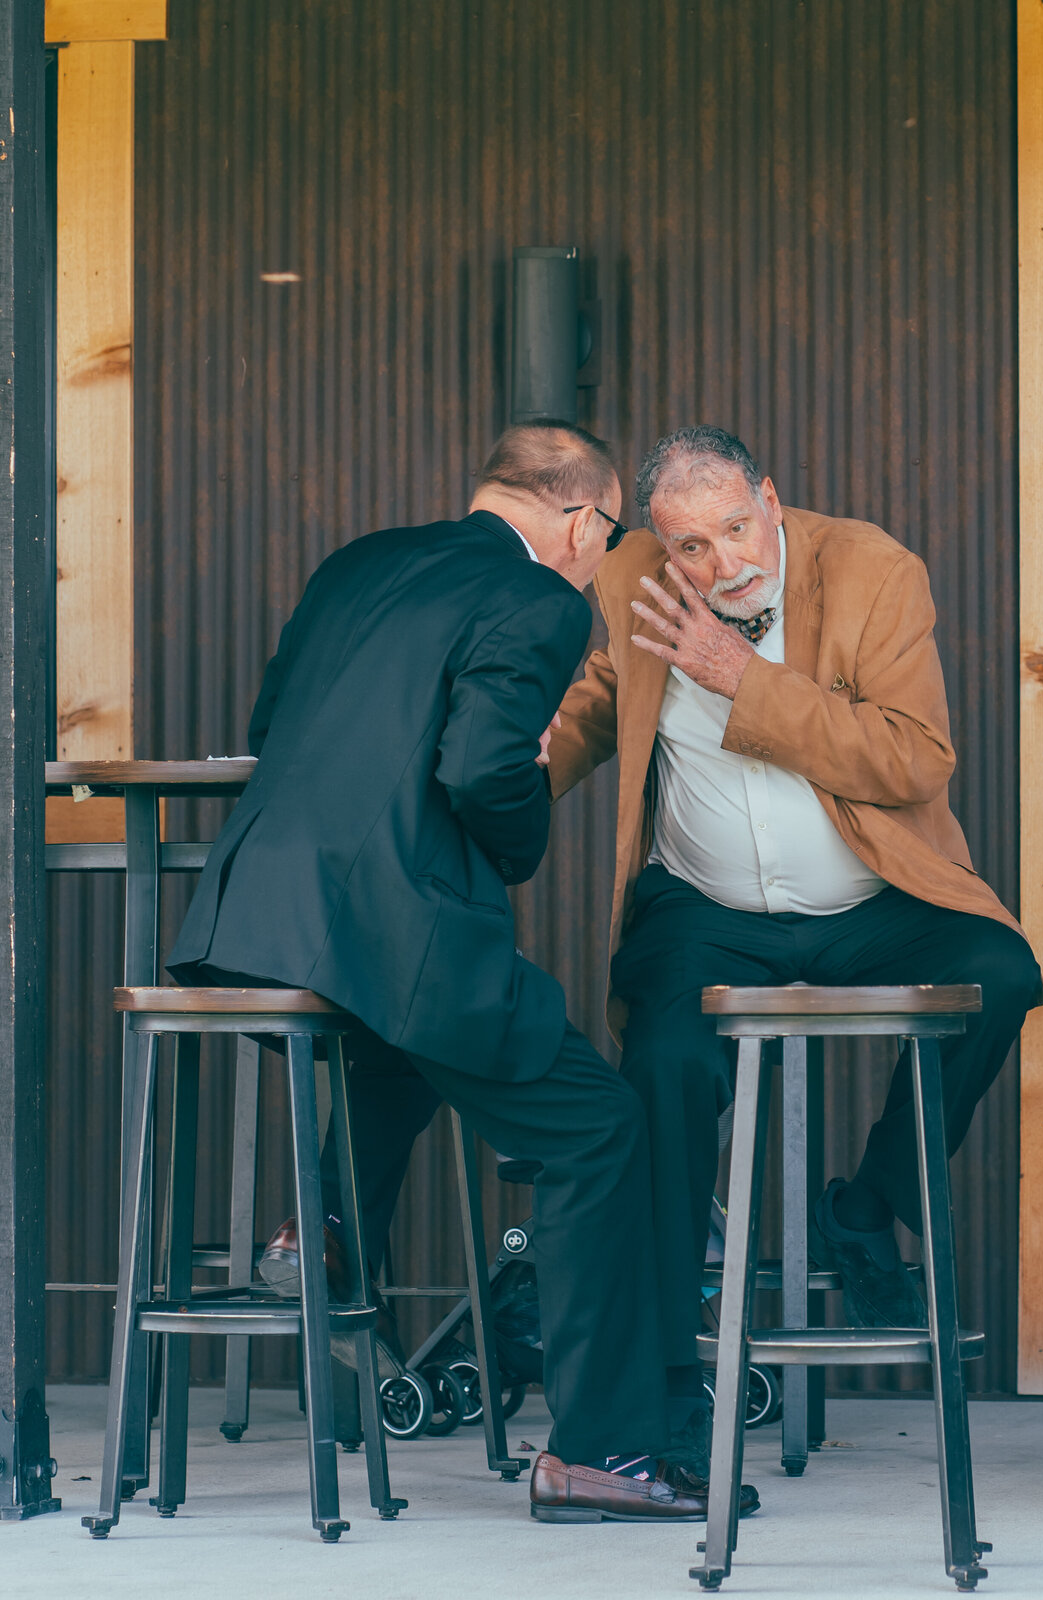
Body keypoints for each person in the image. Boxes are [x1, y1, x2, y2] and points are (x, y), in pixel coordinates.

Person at [169, 420, 751, 1523]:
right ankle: (605, 1454)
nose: (601, 551)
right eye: (610, 531)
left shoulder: (357, 566)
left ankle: (324, 1229)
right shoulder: (543, 603)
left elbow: (272, 725)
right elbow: (484, 770)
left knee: (403, 1050)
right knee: (602, 1125)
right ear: (582, 522)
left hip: (260, 921)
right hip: (399, 930)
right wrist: (526, 801)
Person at [546, 424, 1043, 1418]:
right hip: (705, 911)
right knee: (668, 1065)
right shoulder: (632, 576)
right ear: (658, 540)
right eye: (692, 545)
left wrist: (744, 678)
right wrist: (507, 780)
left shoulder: (871, 570)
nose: (721, 562)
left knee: (1000, 971)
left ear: (770, 500)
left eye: (737, 527)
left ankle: (869, 1206)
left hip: (871, 899)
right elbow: (606, 698)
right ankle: (668, 1374)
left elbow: (914, 760)